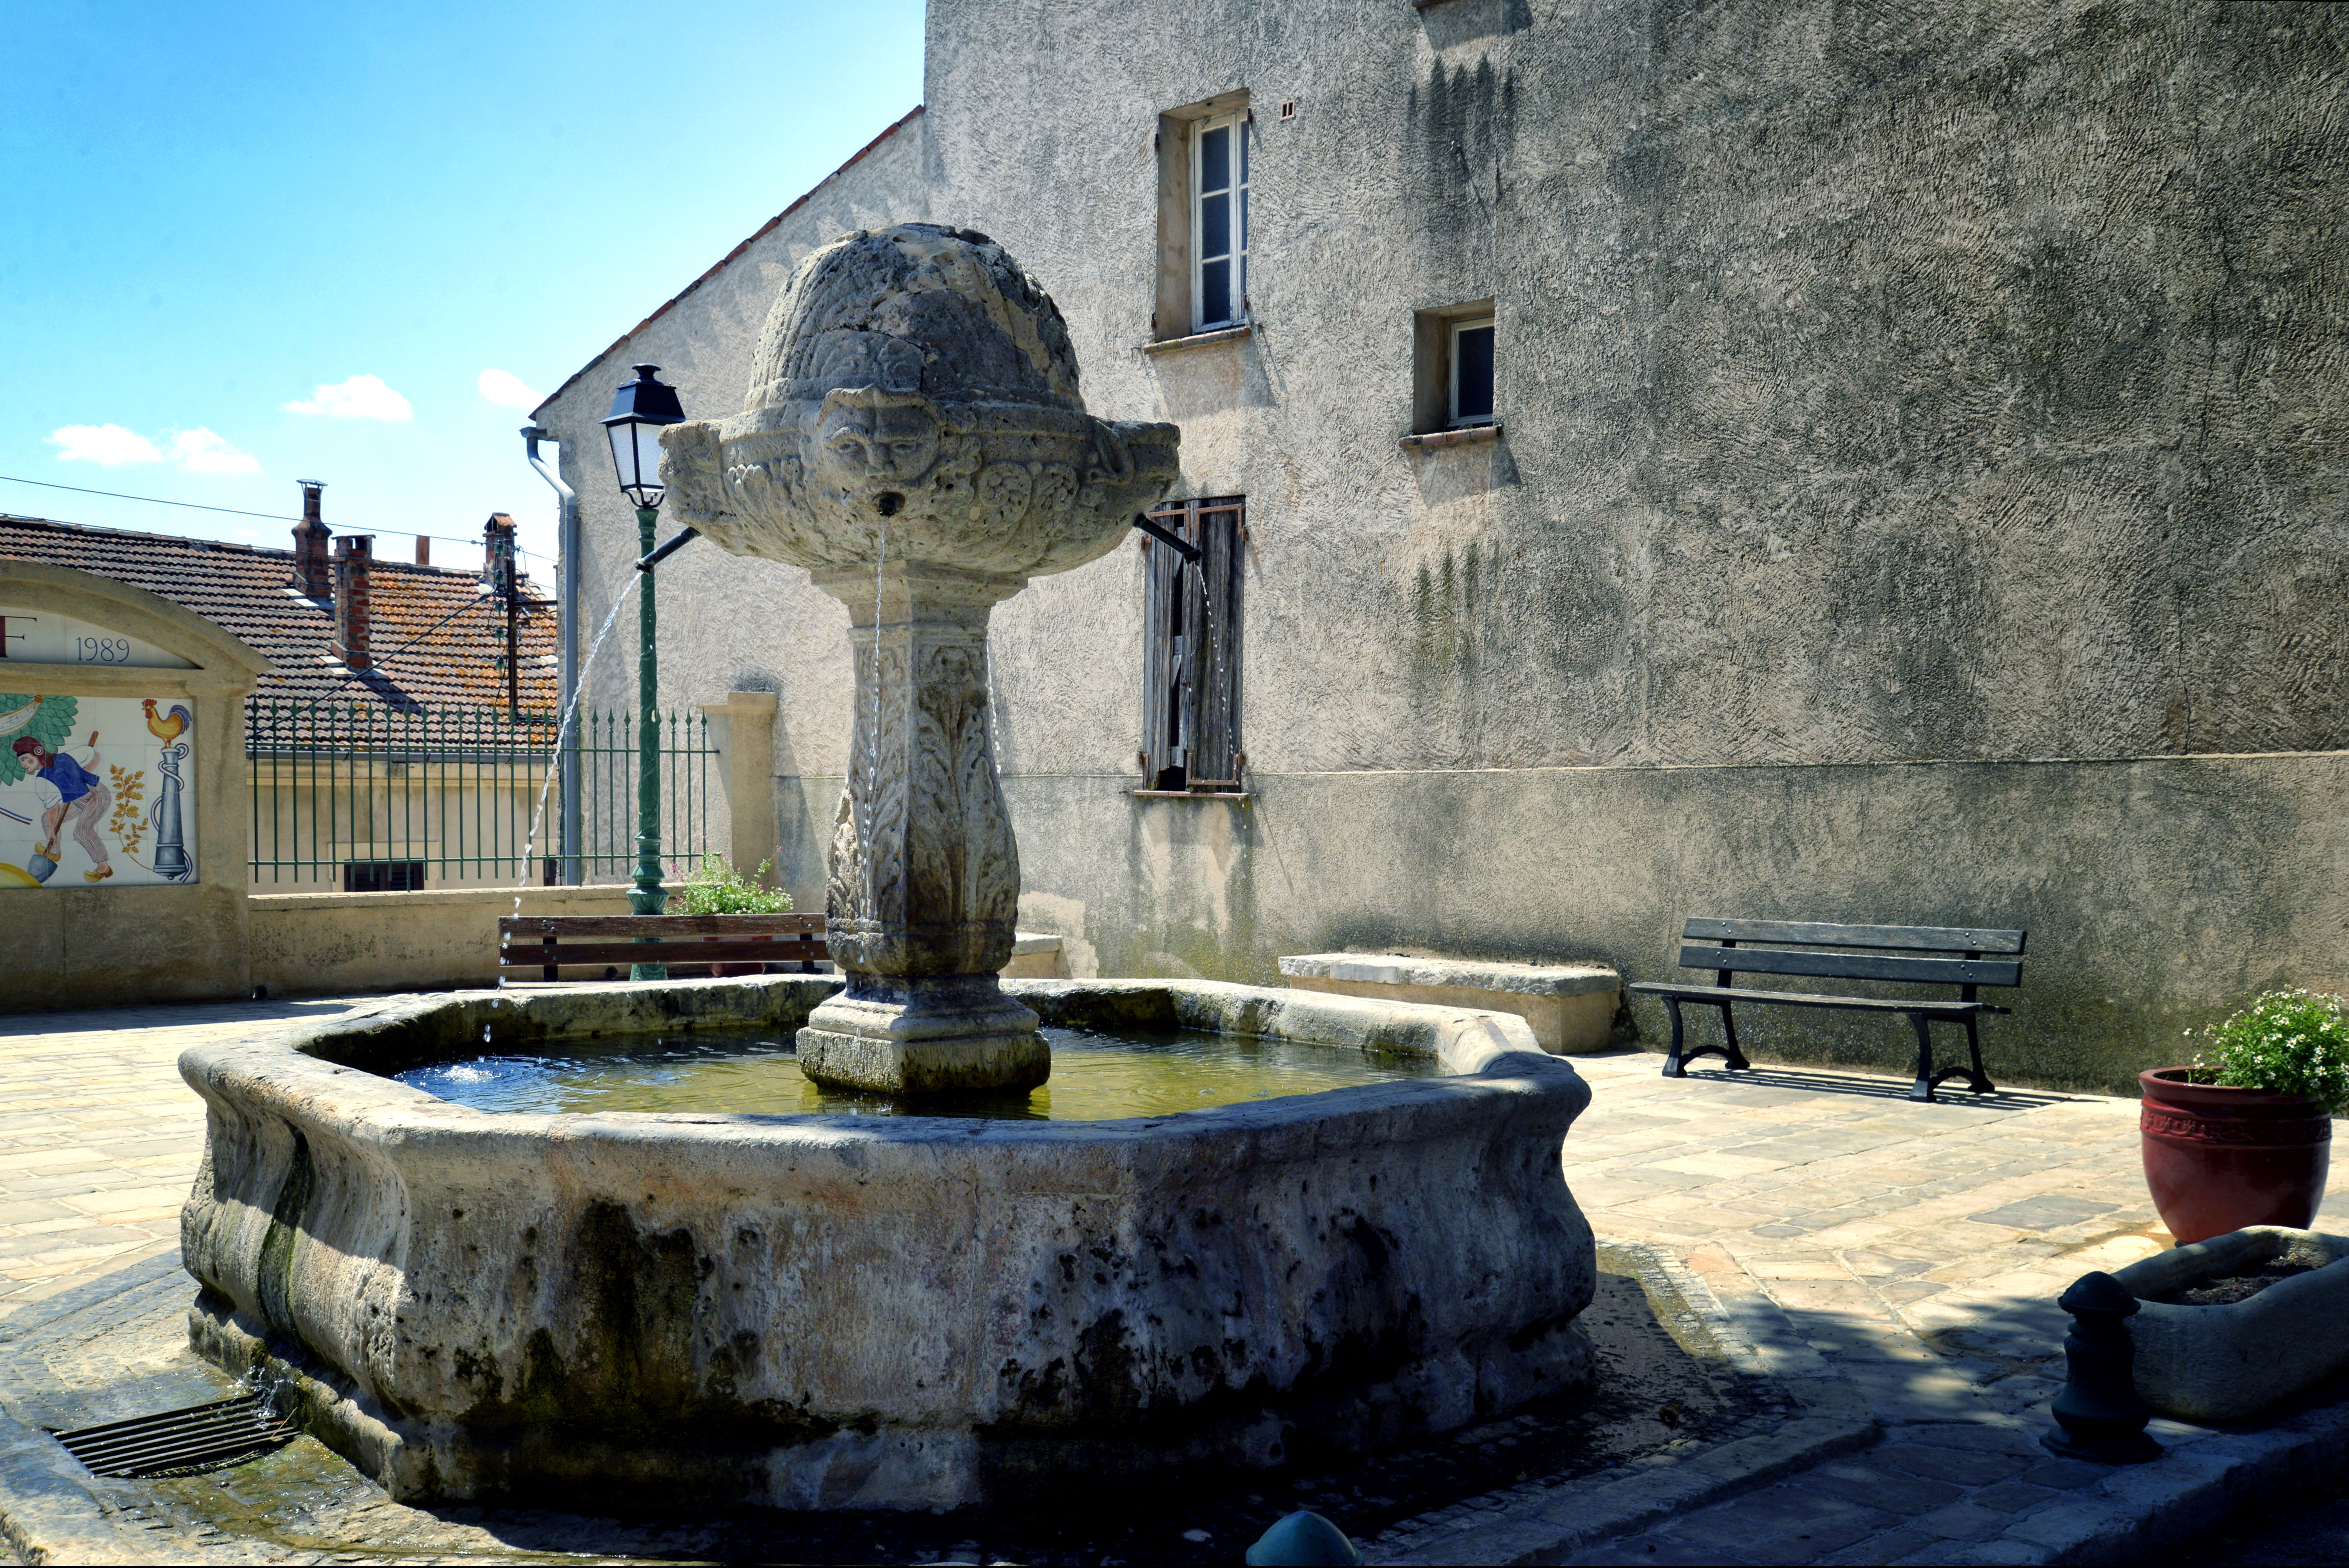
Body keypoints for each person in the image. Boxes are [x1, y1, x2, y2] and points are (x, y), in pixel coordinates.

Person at [14, 731, 111, 882]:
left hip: (97, 795)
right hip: (78, 800)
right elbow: (53, 809)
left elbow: (96, 756)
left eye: (25, 759)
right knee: (47, 820)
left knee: (82, 832)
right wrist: (51, 829)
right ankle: (55, 852)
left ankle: (104, 869)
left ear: (38, 753)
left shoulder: (60, 763)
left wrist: (82, 774)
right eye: (22, 761)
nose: (24, 765)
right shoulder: (44, 777)